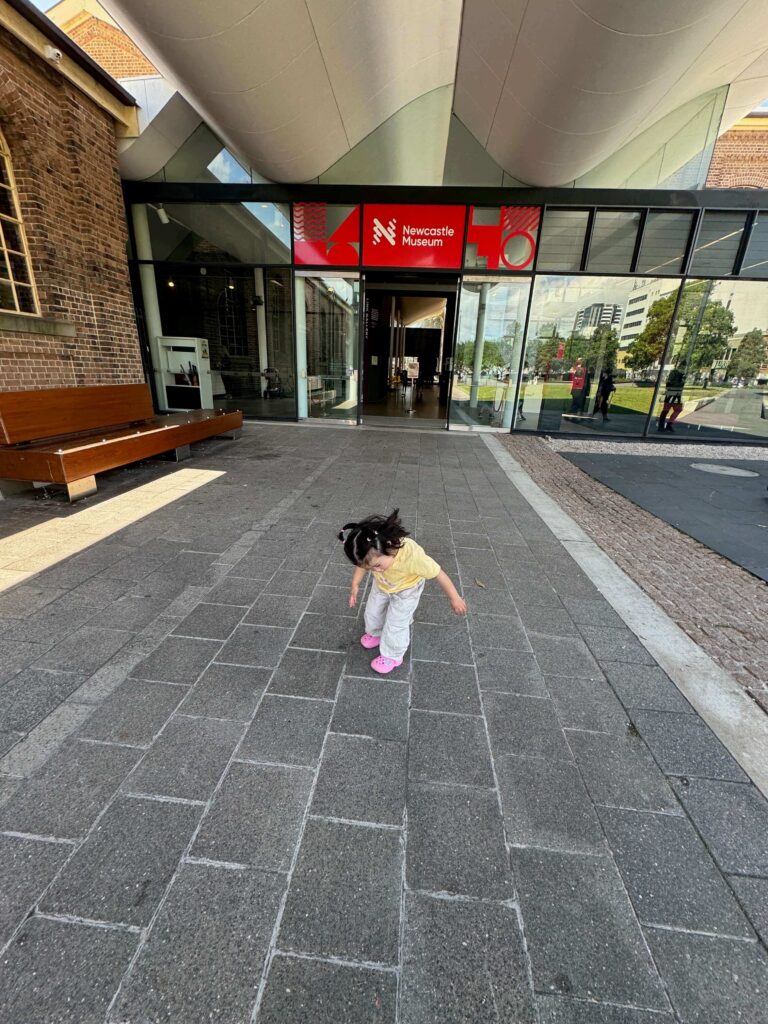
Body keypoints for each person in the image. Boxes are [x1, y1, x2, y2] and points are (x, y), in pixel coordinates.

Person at [340, 509, 466, 675]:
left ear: (390, 547)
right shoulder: (373, 553)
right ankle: (376, 633)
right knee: (372, 612)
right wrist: (355, 583)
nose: (374, 570)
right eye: (370, 568)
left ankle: (393, 655)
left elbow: (438, 573)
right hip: (383, 585)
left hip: (407, 589)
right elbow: (362, 565)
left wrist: (455, 598)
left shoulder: (413, 557)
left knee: (396, 623)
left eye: (376, 566)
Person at [657, 366, 685, 433]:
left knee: (667, 410)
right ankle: (667, 425)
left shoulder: (674, 377)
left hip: (672, 395)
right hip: (674, 394)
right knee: (670, 410)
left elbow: (669, 385)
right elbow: (676, 385)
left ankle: (665, 426)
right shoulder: (678, 377)